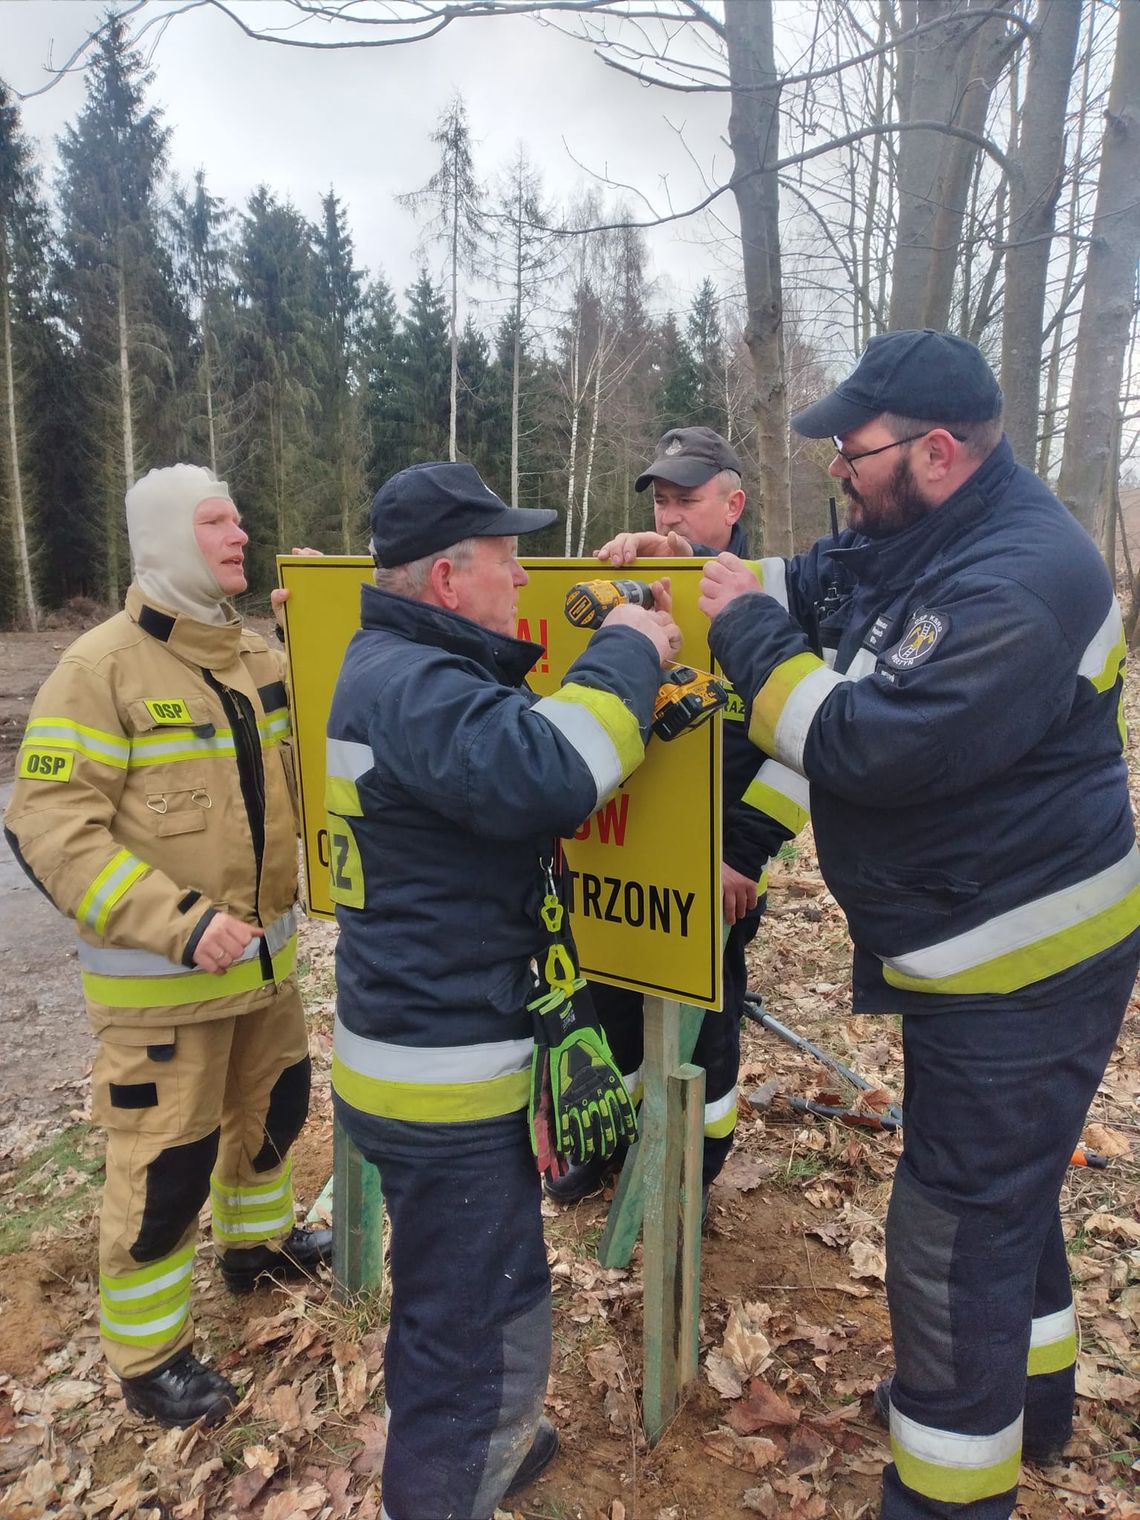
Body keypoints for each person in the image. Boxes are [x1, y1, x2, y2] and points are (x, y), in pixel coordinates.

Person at [697, 329, 1140, 1520]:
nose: (839, 465)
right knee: (1009, 1194)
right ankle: (1032, 1407)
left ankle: (950, 1489)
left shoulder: (1024, 578)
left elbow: (862, 745)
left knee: (953, 1232)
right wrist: (718, 571)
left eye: (856, 447)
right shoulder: (941, 528)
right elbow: (842, 579)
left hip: (1027, 961)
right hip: (978, 940)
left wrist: (743, 634)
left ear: (936, 451)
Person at [326, 460, 681, 1520]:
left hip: (423, 1050)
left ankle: (495, 1438)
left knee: (474, 1289)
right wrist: (630, 645)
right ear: (447, 576)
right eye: (505, 559)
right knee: (466, 1317)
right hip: (443, 1078)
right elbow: (543, 771)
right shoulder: (412, 685)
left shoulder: (398, 667)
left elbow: (500, 784)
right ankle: (444, 1482)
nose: (523, 578)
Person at [3, 465, 331, 1428]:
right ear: (166, 542)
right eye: (217, 521)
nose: (241, 533)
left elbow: (329, 738)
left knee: (274, 1117)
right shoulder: (98, 670)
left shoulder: (259, 660)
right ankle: (148, 1359)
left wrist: (316, 617)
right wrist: (179, 924)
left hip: (265, 978)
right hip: (164, 996)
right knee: (164, 1173)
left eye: (238, 516)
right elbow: (50, 829)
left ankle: (256, 1254)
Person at [543, 426, 806, 1207]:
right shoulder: (635, 580)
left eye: (687, 499)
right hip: (623, 849)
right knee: (610, 992)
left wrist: (744, 853)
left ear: (734, 503)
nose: (671, 514)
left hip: (715, 859)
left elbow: (798, 754)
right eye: (661, 499)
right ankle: (612, 1141)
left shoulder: (774, 595)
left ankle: (694, 1159)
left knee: (704, 1013)